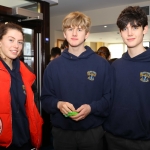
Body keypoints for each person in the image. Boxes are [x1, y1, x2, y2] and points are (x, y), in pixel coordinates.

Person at [41, 11, 111, 150]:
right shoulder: (53, 66)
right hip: (62, 135)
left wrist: (91, 108)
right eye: (70, 29)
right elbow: (46, 100)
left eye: (79, 29)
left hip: (93, 133)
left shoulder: (101, 64)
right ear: (65, 34)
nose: (74, 33)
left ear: (86, 34)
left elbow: (109, 99)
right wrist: (59, 104)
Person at [103, 6, 150, 150]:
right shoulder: (113, 66)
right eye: (125, 28)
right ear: (120, 32)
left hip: (144, 141)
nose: (129, 33)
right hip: (112, 138)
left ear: (145, 29)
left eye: (135, 27)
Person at [0, 22, 43, 150]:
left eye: (20, 42)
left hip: (25, 139)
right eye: (11, 40)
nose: (16, 46)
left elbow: (31, 104)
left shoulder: (25, 71)